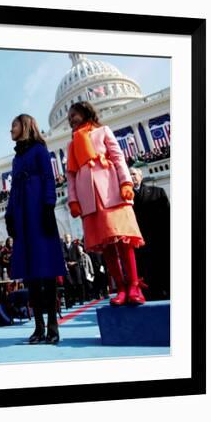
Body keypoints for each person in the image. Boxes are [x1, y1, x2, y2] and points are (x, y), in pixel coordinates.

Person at [65, 102, 146, 306]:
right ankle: (120, 287)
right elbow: (71, 176)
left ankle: (134, 286)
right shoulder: (72, 144)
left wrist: (126, 182)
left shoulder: (103, 131)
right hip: (89, 198)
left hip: (110, 190)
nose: (71, 118)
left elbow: (118, 157)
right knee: (107, 246)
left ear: (85, 112)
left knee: (124, 242)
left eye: (74, 114)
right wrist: (73, 199)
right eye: (69, 116)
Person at [4, 114, 66, 344]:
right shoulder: (16, 158)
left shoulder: (40, 150)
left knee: (46, 271)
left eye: (14, 124)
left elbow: (49, 178)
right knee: (30, 273)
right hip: (22, 216)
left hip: (39, 213)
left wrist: (49, 206)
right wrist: (9, 214)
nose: (11, 129)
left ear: (26, 126)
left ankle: (52, 325)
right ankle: (38, 325)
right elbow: (13, 189)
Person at [130, 166, 170, 300]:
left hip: (160, 241)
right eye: (129, 174)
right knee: (149, 281)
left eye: (134, 174)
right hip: (141, 245)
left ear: (141, 176)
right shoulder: (125, 199)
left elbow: (168, 217)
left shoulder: (157, 192)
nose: (132, 177)